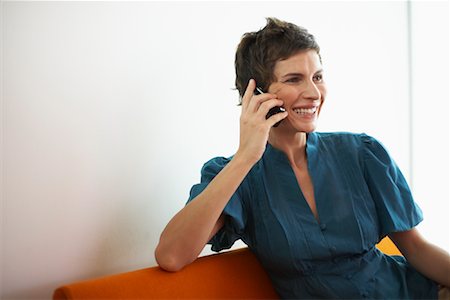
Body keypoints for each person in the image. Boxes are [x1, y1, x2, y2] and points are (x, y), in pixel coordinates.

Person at [155, 17, 450, 299]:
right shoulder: (234, 176)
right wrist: (246, 155)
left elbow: (417, 250)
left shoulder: (363, 153)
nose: (313, 93)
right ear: (256, 93)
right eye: (295, 79)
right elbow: (171, 255)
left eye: (317, 77)